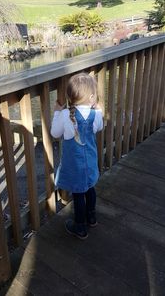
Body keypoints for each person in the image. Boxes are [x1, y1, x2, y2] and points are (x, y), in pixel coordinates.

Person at [51, 72, 103, 239]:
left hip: (75, 166)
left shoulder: (66, 115)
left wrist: (57, 113)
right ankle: (92, 217)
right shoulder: (96, 115)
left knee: (79, 194)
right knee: (90, 189)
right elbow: (99, 128)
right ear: (92, 97)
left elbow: (54, 133)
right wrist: (97, 109)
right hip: (90, 163)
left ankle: (80, 226)